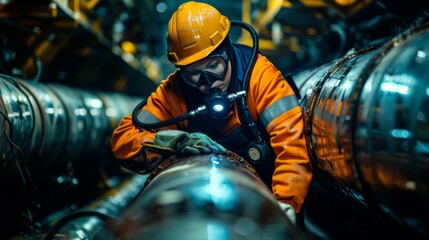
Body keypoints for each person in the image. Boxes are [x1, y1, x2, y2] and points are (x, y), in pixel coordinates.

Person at [111, 1, 312, 224]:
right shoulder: (174, 92)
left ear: (227, 49)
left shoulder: (259, 77)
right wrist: (168, 141)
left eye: (214, 66)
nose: (207, 83)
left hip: (267, 189)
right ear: (180, 70)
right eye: (193, 74)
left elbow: (293, 146)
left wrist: (285, 204)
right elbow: (123, 142)